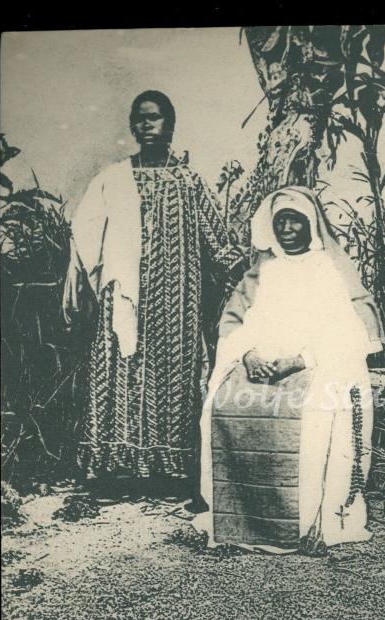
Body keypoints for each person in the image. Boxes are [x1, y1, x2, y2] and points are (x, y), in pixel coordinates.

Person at [63, 91, 245, 502]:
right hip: (124, 296)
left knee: (173, 376)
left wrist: (253, 276)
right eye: (140, 119)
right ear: (132, 126)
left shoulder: (187, 180)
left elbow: (218, 240)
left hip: (176, 296)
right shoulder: (114, 177)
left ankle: (170, 472)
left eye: (156, 118)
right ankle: (114, 471)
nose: (147, 126)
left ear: (170, 124)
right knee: (118, 370)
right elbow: (85, 229)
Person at [194, 186, 385, 554]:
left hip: (316, 361)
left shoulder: (330, 268)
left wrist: (301, 360)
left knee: (315, 412)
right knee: (224, 404)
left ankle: (309, 523)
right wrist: (248, 355)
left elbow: (351, 327)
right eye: (280, 221)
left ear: (311, 225)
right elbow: (233, 321)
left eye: (294, 221)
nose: (286, 229)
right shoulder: (262, 271)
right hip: (261, 363)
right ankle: (241, 521)